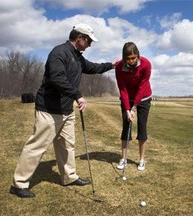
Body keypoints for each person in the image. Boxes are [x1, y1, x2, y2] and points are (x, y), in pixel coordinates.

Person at [9, 23, 117, 198]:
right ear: (80, 38)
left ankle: (69, 177)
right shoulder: (59, 52)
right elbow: (57, 79)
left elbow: (93, 67)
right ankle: (19, 184)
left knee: (67, 145)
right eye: (89, 41)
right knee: (37, 146)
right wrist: (78, 95)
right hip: (49, 109)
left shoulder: (78, 57)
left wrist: (112, 65)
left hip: (66, 110)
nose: (90, 44)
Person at [115, 42, 152, 171]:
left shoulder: (146, 64)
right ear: (124, 57)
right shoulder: (119, 67)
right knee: (126, 127)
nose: (130, 61)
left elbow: (142, 87)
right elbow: (123, 89)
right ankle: (123, 158)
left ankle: (142, 160)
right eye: (128, 58)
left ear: (137, 55)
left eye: (133, 58)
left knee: (142, 127)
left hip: (144, 98)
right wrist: (127, 109)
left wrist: (134, 107)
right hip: (127, 99)